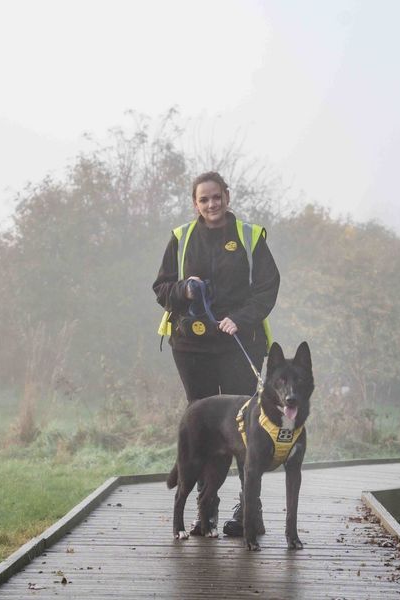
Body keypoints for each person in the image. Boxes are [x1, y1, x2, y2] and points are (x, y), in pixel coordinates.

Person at [153, 171, 280, 536]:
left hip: (240, 343)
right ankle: (206, 510)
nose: (211, 204)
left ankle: (248, 511)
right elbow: (161, 287)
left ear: (227, 195)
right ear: (195, 203)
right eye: (203, 199)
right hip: (192, 348)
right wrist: (184, 290)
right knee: (207, 430)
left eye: (216, 197)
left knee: (244, 430)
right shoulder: (181, 238)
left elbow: (268, 288)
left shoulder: (250, 237)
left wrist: (238, 319)